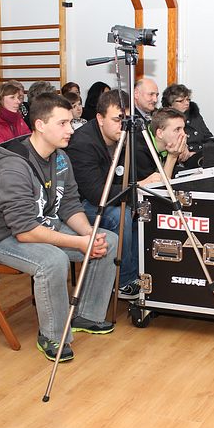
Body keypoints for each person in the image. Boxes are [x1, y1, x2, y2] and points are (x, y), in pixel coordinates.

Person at [0, 93, 118, 362]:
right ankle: (53, 335)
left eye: (71, 123)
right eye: (63, 123)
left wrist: (88, 234)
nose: (71, 130)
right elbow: (24, 231)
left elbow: (70, 204)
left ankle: (86, 316)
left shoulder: (60, 157)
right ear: (40, 125)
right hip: (4, 237)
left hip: (44, 225)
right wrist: (79, 243)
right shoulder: (13, 167)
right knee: (53, 260)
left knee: (107, 240)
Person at [67, 90, 164, 301]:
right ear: (100, 118)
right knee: (120, 215)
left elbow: (135, 175)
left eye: (126, 119)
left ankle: (141, 271)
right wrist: (137, 188)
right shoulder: (83, 144)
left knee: (143, 210)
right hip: (79, 206)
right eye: (117, 119)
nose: (123, 125)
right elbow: (96, 194)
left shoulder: (126, 135)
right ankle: (124, 280)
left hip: (109, 196)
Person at [161, 83, 212, 170]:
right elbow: (167, 147)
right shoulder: (165, 120)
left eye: (188, 99)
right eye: (181, 101)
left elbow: (208, 137)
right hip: (182, 161)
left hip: (201, 153)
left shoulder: (194, 115)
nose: (187, 103)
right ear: (170, 105)